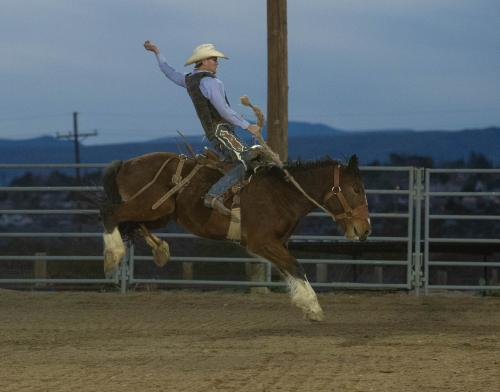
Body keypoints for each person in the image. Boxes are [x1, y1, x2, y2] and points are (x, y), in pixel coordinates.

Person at [144, 41, 261, 218]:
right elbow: (224, 110)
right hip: (222, 131)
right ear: (204, 61)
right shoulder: (211, 82)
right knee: (247, 162)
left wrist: (158, 53)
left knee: (240, 161)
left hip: (213, 133)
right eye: (214, 59)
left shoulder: (189, 79)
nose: (217, 62)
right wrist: (248, 125)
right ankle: (215, 194)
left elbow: (169, 72)